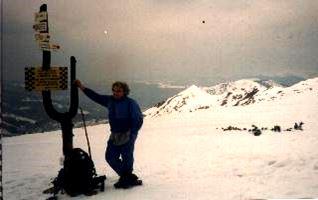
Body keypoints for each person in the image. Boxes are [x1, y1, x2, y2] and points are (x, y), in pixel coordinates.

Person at [74, 80, 143, 189]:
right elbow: (96, 97)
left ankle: (126, 178)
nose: (116, 93)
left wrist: (132, 134)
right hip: (115, 134)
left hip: (128, 134)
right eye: (114, 90)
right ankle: (127, 177)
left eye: (119, 91)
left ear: (125, 92)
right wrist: (82, 87)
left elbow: (138, 119)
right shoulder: (110, 100)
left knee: (127, 157)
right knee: (110, 157)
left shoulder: (131, 103)